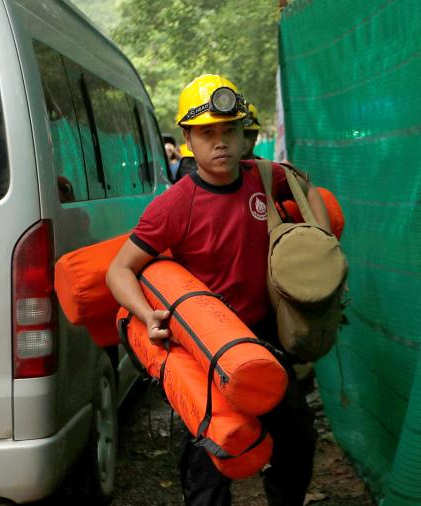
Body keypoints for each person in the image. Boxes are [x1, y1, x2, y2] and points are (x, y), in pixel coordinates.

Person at [106, 74, 331, 506]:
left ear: (243, 135)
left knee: (297, 436)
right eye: (207, 133)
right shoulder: (175, 204)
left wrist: (321, 240)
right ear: (189, 139)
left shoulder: (264, 177)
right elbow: (119, 271)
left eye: (229, 130)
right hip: (208, 344)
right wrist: (148, 313)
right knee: (212, 452)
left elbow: (306, 188)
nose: (221, 142)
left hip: (265, 336)